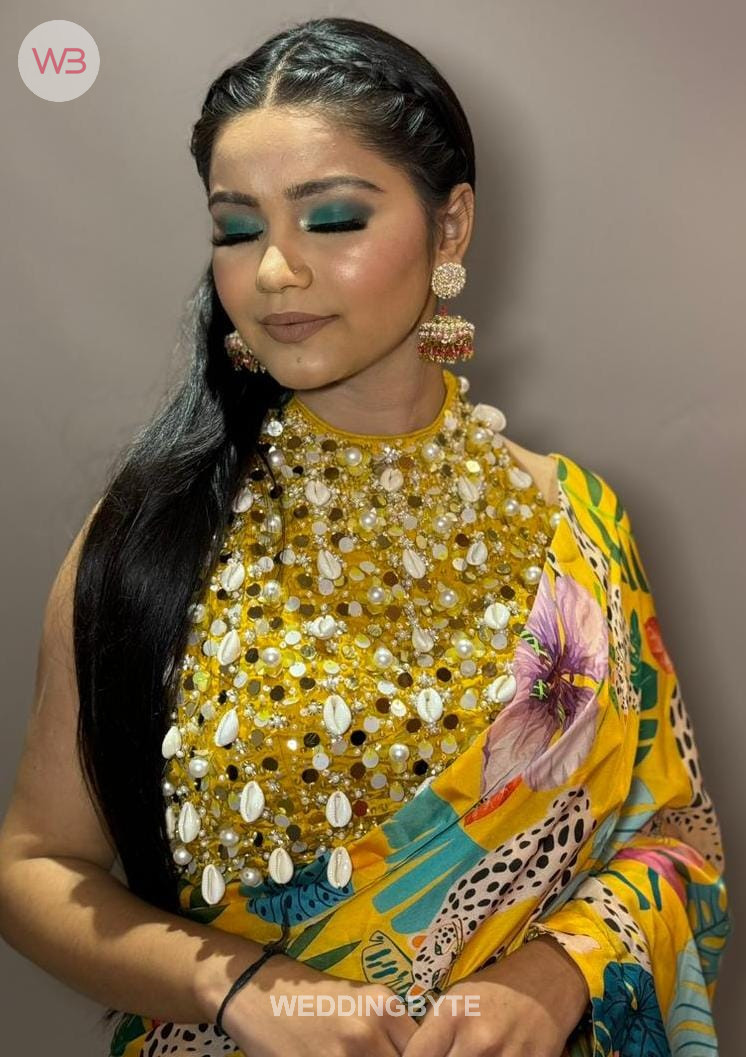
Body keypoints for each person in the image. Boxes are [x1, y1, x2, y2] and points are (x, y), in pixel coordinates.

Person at [0, 15, 731, 1057]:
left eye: (332, 217)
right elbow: (33, 866)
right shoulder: (154, 531)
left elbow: (675, 835)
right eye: (236, 229)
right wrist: (243, 985)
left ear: (450, 226)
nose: (274, 271)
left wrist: (555, 972)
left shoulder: (577, 522)